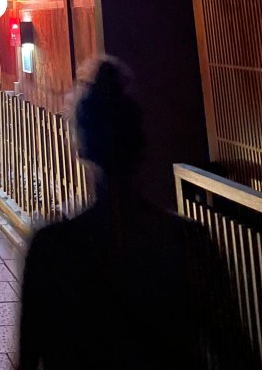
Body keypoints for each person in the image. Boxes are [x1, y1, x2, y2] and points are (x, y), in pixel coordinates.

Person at [18, 57, 256, 370]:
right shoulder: (190, 243)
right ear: (141, 144)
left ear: (80, 147)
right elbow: (233, 352)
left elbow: (29, 357)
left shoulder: (51, 249)